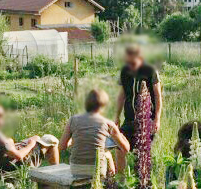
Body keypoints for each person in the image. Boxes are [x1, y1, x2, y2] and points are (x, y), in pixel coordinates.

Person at [60, 89, 130, 178]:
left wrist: (73, 142)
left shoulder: (73, 119)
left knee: (105, 154)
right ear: (103, 106)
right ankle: (111, 183)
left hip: (76, 169)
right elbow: (126, 149)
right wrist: (121, 135)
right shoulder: (108, 123)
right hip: (97, 170)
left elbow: (62, 146)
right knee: (107, 154)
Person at [115, 44, 162, 174]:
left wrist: (157, 119)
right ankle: (121, 181)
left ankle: (142, 182)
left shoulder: (150, 70)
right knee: (119, 146)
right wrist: (116, 116)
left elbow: (158, 96)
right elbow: (121, 95)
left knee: (142, 153)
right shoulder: (124, 71)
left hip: (147, 120)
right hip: (129, 119)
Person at [0, 104, 60, 172]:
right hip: (16, 163)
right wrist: (31, 144)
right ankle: (56, 173)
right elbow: (19, 156)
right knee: (51, 139)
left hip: (3, 159)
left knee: (36, 137)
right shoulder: (1, 138)